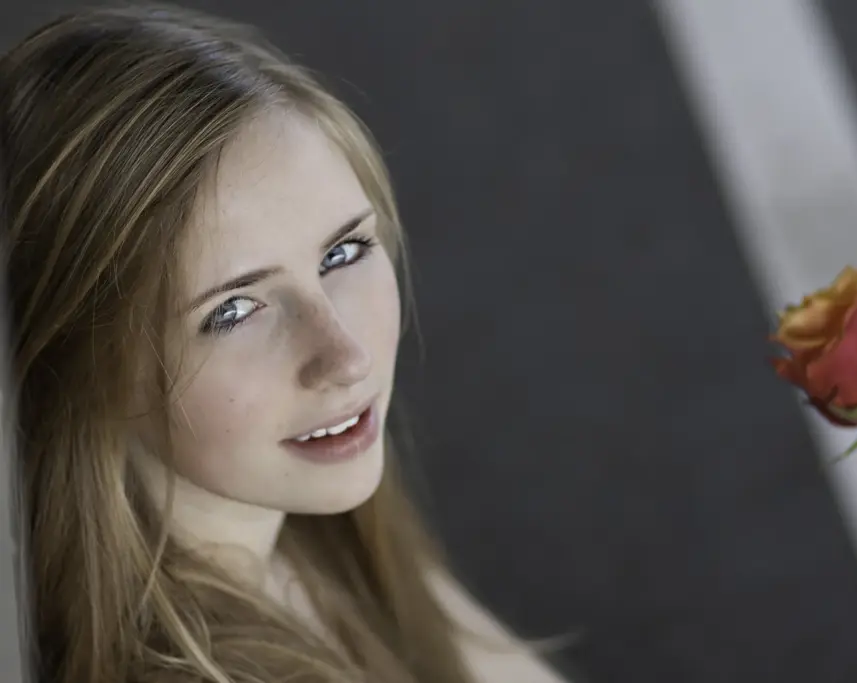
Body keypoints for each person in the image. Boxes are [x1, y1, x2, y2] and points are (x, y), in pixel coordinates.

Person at [0, 5, 569, 683]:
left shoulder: (314, 540)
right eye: (234, 309)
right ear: (79, 363)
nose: (346, 354)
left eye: (344, 252)